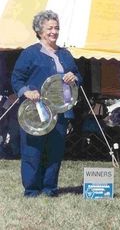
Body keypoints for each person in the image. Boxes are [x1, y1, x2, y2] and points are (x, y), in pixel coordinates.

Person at [11, 10, 82, 197]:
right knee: (32, 151)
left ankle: (50, 188)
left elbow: (79, 76)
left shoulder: (65, 54)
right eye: (50, 28)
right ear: (39, 30)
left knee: (55, 152)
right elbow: (16, 79)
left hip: (60, 111)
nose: (54, 31)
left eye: (57, 27)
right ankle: (32, 190)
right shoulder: (30, 53)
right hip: (35, 111)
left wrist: (74, 77)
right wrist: (26, 91)